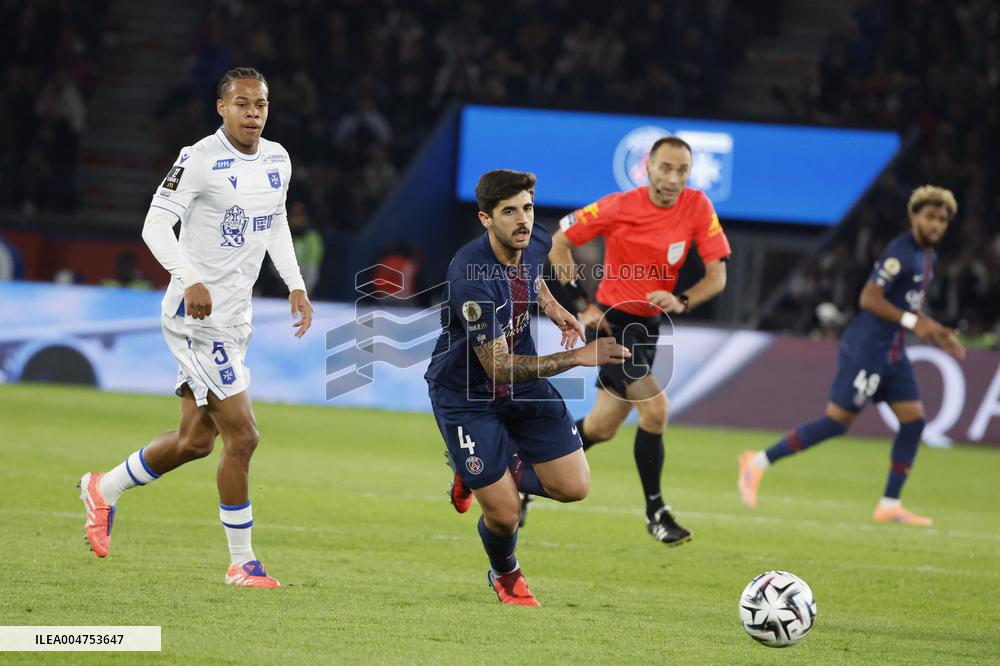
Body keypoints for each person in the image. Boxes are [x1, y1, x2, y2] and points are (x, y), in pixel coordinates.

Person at [78, 67, 314, 587]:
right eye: (242, 104)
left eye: (261, 105)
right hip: (198, 320)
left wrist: (295, 284)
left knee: (194, 442)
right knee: (244, 437)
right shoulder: (199, 159)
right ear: (221, 108)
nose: (253, 113)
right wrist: (190, 279)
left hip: (236, 318)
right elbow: (154, 225)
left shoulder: (277, 159)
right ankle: (242, 563)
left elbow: (274, 222)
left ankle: (103, 488)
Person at [424, 169, 629, 606]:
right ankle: (506, 573)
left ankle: (480, 469)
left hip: (525, 386)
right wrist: (578, 356)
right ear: (485, 219)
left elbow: (532, 275)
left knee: (574, 486)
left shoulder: (534, 239)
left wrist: (552, 306)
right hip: (467, 395)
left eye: (528, 208)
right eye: (509, 212)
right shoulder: (471, 278)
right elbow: (498, 368)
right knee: (505, 514)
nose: (523, 220)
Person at [739, 185, 965, 525]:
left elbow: (908, 306)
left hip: (893, 352)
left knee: (914, 421)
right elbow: (869, 298)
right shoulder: (899, 253)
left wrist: (935, 329)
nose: (935, 224)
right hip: (868, 349)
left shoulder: (927, 257)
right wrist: (912, 323)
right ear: (913, 217)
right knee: (836, 423)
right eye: (929, 216)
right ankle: (757, 462)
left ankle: (889, 504)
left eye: (942, 219)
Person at [546, 136, 731, 545]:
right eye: (665, 168)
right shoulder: (618, 206)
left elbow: (717, 276)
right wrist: (582, 304)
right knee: (655, 410)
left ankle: (526, 467)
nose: (673, 178)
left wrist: (682, 300)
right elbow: (560, 242)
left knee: (601, 426)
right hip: (611, 325)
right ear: (647, 168)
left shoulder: (698, 206)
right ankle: (656, 512)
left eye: (682, 170)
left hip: (649, 327)